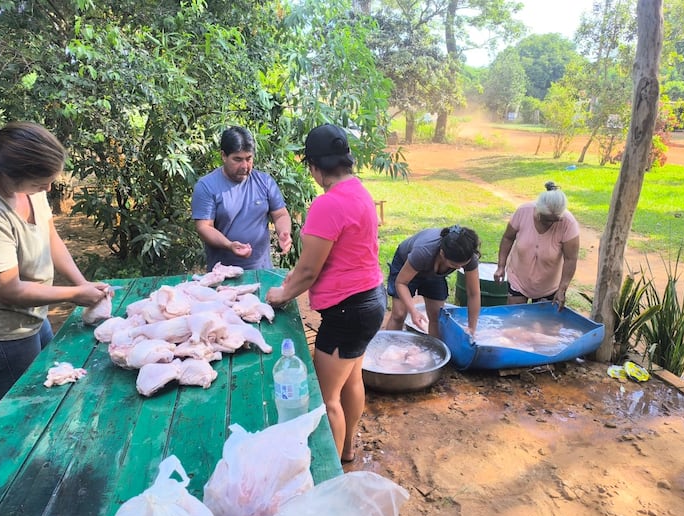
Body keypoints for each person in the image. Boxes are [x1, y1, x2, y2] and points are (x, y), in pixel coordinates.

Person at [0, 122, 110, 403]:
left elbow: (50, 237)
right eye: (40, 183)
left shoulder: (29, 188)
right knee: (26, 406)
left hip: (31, 314)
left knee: (48, 384)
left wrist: (82, 283)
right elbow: (8, 290)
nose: (47, 187)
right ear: (8, 173)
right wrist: (74, 295)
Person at [265, 124, 386, 464]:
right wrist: (299, 278)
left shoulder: (327, 204)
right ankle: (347, 450)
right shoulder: (360, 192)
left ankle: (331, 471)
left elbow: (307, 271)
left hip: (348, 312)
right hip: (372, 300)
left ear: (315, 168)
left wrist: (281, 294)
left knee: (326, 397)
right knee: (352, 380)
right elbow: (343, 255)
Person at [191, 126, 292, 270]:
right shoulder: (206, 186)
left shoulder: (265, 182)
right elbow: (204, 227)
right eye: (237, 159)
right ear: (223, 156)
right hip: (222, 273)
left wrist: (283, 232)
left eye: (248, 158)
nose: (245, 166)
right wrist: (229, 245)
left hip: (261, 269)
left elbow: (281, 214)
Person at [493, 183, 580, 310]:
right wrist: (501, 266)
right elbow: (508, 238)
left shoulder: (568, 223)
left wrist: (562, 289)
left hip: (548, 286)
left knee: (540, 325)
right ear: (538, 210)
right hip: (518, 279)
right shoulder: (524, 211)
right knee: (513, 319)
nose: (549, 223)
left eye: (554, 220)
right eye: (545, 219)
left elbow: (571, 259)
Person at [385, 226, 482, 338]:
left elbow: (473, 293)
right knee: (399, 314)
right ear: (442, 254)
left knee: (436, 316)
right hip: (406, 263)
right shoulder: (424, 251)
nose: (460, 267)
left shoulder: (468, 256)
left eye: (463, 265)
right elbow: (401, 283)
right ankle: (388, 348)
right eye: (455, 265)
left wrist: (471, 327)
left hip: (434, 272)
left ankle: (434, 352)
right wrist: (413, 311)